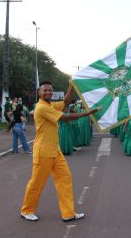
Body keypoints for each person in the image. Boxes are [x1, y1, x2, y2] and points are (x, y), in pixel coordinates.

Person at [20, 81, 100, 222]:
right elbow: (65, 117)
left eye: (50, 90)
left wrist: (71, 85)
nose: (48, 92)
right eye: (45, 90)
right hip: (43, 152)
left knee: (65, 179)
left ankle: (68, 213)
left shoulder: (51, 105)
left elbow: (66, 102)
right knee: (36, 183)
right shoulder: (41, 108)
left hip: (55, 151)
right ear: (39, 93)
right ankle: (27, 210)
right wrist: (87, 113)